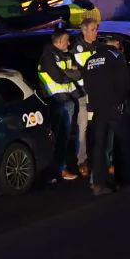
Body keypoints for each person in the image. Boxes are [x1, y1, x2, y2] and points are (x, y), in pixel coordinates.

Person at [76, 18, 130, 195]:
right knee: (123, 143)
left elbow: (87, 83)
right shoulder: (115, 56)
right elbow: (124, 82)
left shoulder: (91, 60)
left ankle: (98, 184)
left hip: (97, 108)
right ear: (114, 44)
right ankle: (127, 181)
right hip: (114, 107)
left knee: (99, 146)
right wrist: (123, 100)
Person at [37, 26, 86, 180]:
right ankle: (59, 169)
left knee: (64, 137)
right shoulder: (48, 57)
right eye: (66, 40)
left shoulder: (63, 54)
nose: (69, 43)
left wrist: (71, 73)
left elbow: (78, 72)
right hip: (58, 100)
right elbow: (60, 78)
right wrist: (71, 73)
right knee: (60, 137)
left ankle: (60, 168)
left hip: (68, 97)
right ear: (58, 41)